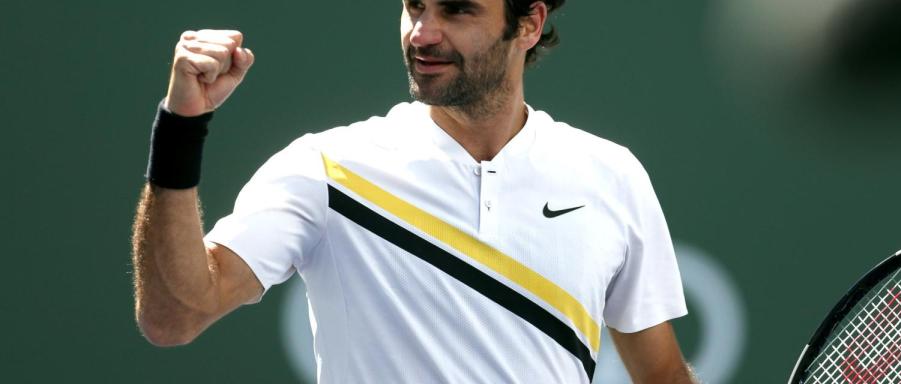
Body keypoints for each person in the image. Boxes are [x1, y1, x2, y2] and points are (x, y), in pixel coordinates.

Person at [132, 1, 696, 383]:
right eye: (413, 5)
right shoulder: (327, 170)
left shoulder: (611, 176)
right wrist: (182, 126)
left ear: (528, 22)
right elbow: (174, 316)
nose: (422, 33)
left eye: (455, 9)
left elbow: (662, 376)